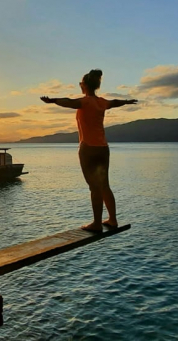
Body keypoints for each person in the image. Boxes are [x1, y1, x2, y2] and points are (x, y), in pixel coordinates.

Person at [41, 69, 137, 232]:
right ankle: (112, 220)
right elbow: (114, 102)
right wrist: (127, 102)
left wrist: (53, 101)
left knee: (94, 187)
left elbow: (68, 101)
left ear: (84, 85)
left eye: (80, 84)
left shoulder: (85, 102)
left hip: (88, 149)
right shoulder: (102, 102)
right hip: (103, 148)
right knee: (104, 185)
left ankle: (97, 224)